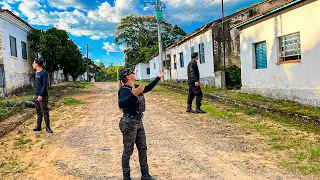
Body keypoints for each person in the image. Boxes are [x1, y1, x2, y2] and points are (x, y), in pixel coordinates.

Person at [118, 68, 166, 180]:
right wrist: (133, 95)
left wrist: (158, 78)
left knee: (143, 148)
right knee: (128, 151)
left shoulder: (136, 86)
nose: (134, 74)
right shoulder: (125, 90)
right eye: (132, 73)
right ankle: (127, 177)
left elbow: (148, 88)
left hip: (138, 121)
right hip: (129, 122)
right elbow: (121, 104)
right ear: (127, 77)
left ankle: (145, 175)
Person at [32, 58, 53, 133]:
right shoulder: (36, 72)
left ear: (37, 64)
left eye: (33, 63)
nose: (33, 64)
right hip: (36, 95)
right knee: (38, 112)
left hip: (43, 96)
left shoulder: (44, 73)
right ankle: (38, 127)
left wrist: (40, 95)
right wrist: (35, 95)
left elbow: (45, 85)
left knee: (45, 112)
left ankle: (48, 127)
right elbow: (37, 85)